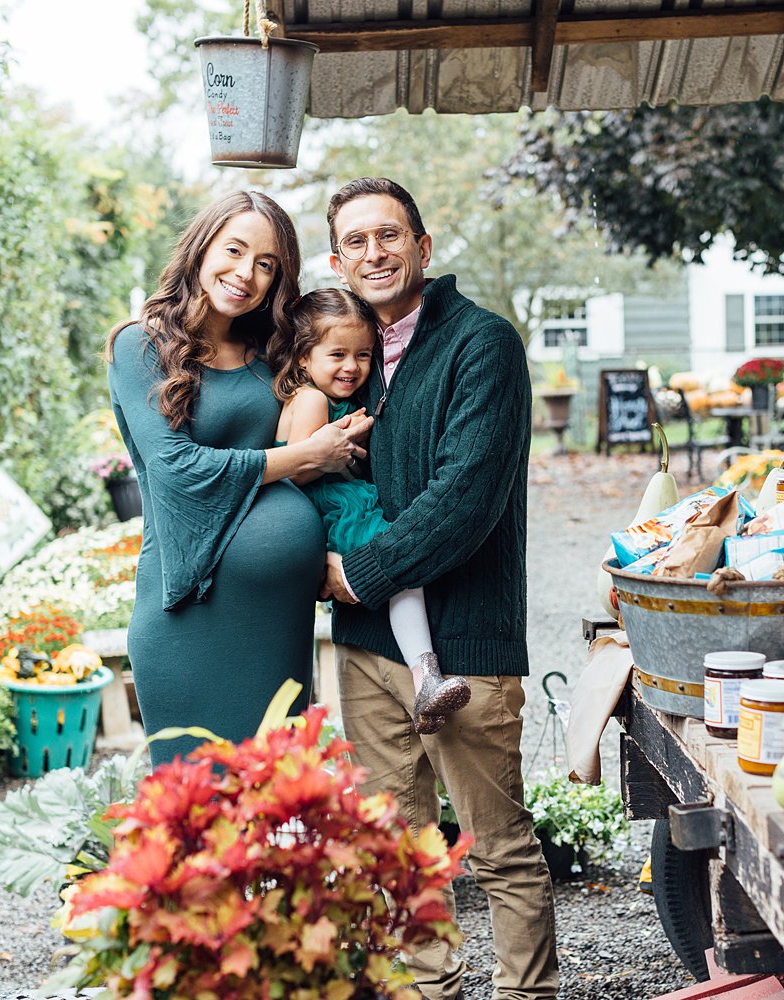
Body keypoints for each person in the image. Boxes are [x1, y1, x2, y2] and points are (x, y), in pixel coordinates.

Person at [320, 177, 559, 1000]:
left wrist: (358, 574)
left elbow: (465, 498)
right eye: (356, 241)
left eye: (390, 236)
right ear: (337, 260)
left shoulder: (481, 344)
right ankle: (432, 989)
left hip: (464, 645)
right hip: (366, 650)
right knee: (401, 846)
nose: (374, 253)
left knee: (496, 847)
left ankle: (527, 994)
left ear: (423, 248)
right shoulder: (346, 361)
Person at [105, 190, 370, 765]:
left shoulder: (271, 349)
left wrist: (325, 541)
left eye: (267, 264)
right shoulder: (140, 345)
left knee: (278, 812)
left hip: (278, 622)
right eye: (235, 250)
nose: (246, 273)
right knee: (199, 819)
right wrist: (303, 457)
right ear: (202, 248)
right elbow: (176, 470)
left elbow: (330, 431)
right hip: (190, 619)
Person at [268, 288, 471, 733]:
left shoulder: (321, 396)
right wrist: (341, 448)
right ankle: (425, 675)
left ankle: (423, 678)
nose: (352, 366)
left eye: (363, 354)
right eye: (337, 354)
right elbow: (298, 469)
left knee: (397, 578)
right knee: (400, 574)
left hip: (337, 502)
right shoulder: (311, 400)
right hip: (332, 508)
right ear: (303, 358)